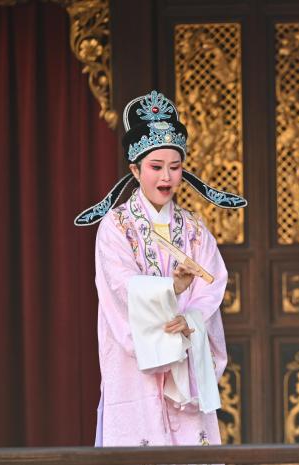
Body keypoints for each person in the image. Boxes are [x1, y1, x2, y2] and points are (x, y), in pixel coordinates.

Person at [75, 90, 247, 446]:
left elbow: (213, 284)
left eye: (175, 167)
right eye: (156, 167)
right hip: (134, 367)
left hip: (185, 356)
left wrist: (191, 319)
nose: (166, 177)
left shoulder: (194, 227)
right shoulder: (116, 226)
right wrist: (172, 288)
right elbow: (120, 286)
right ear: (135, 170)